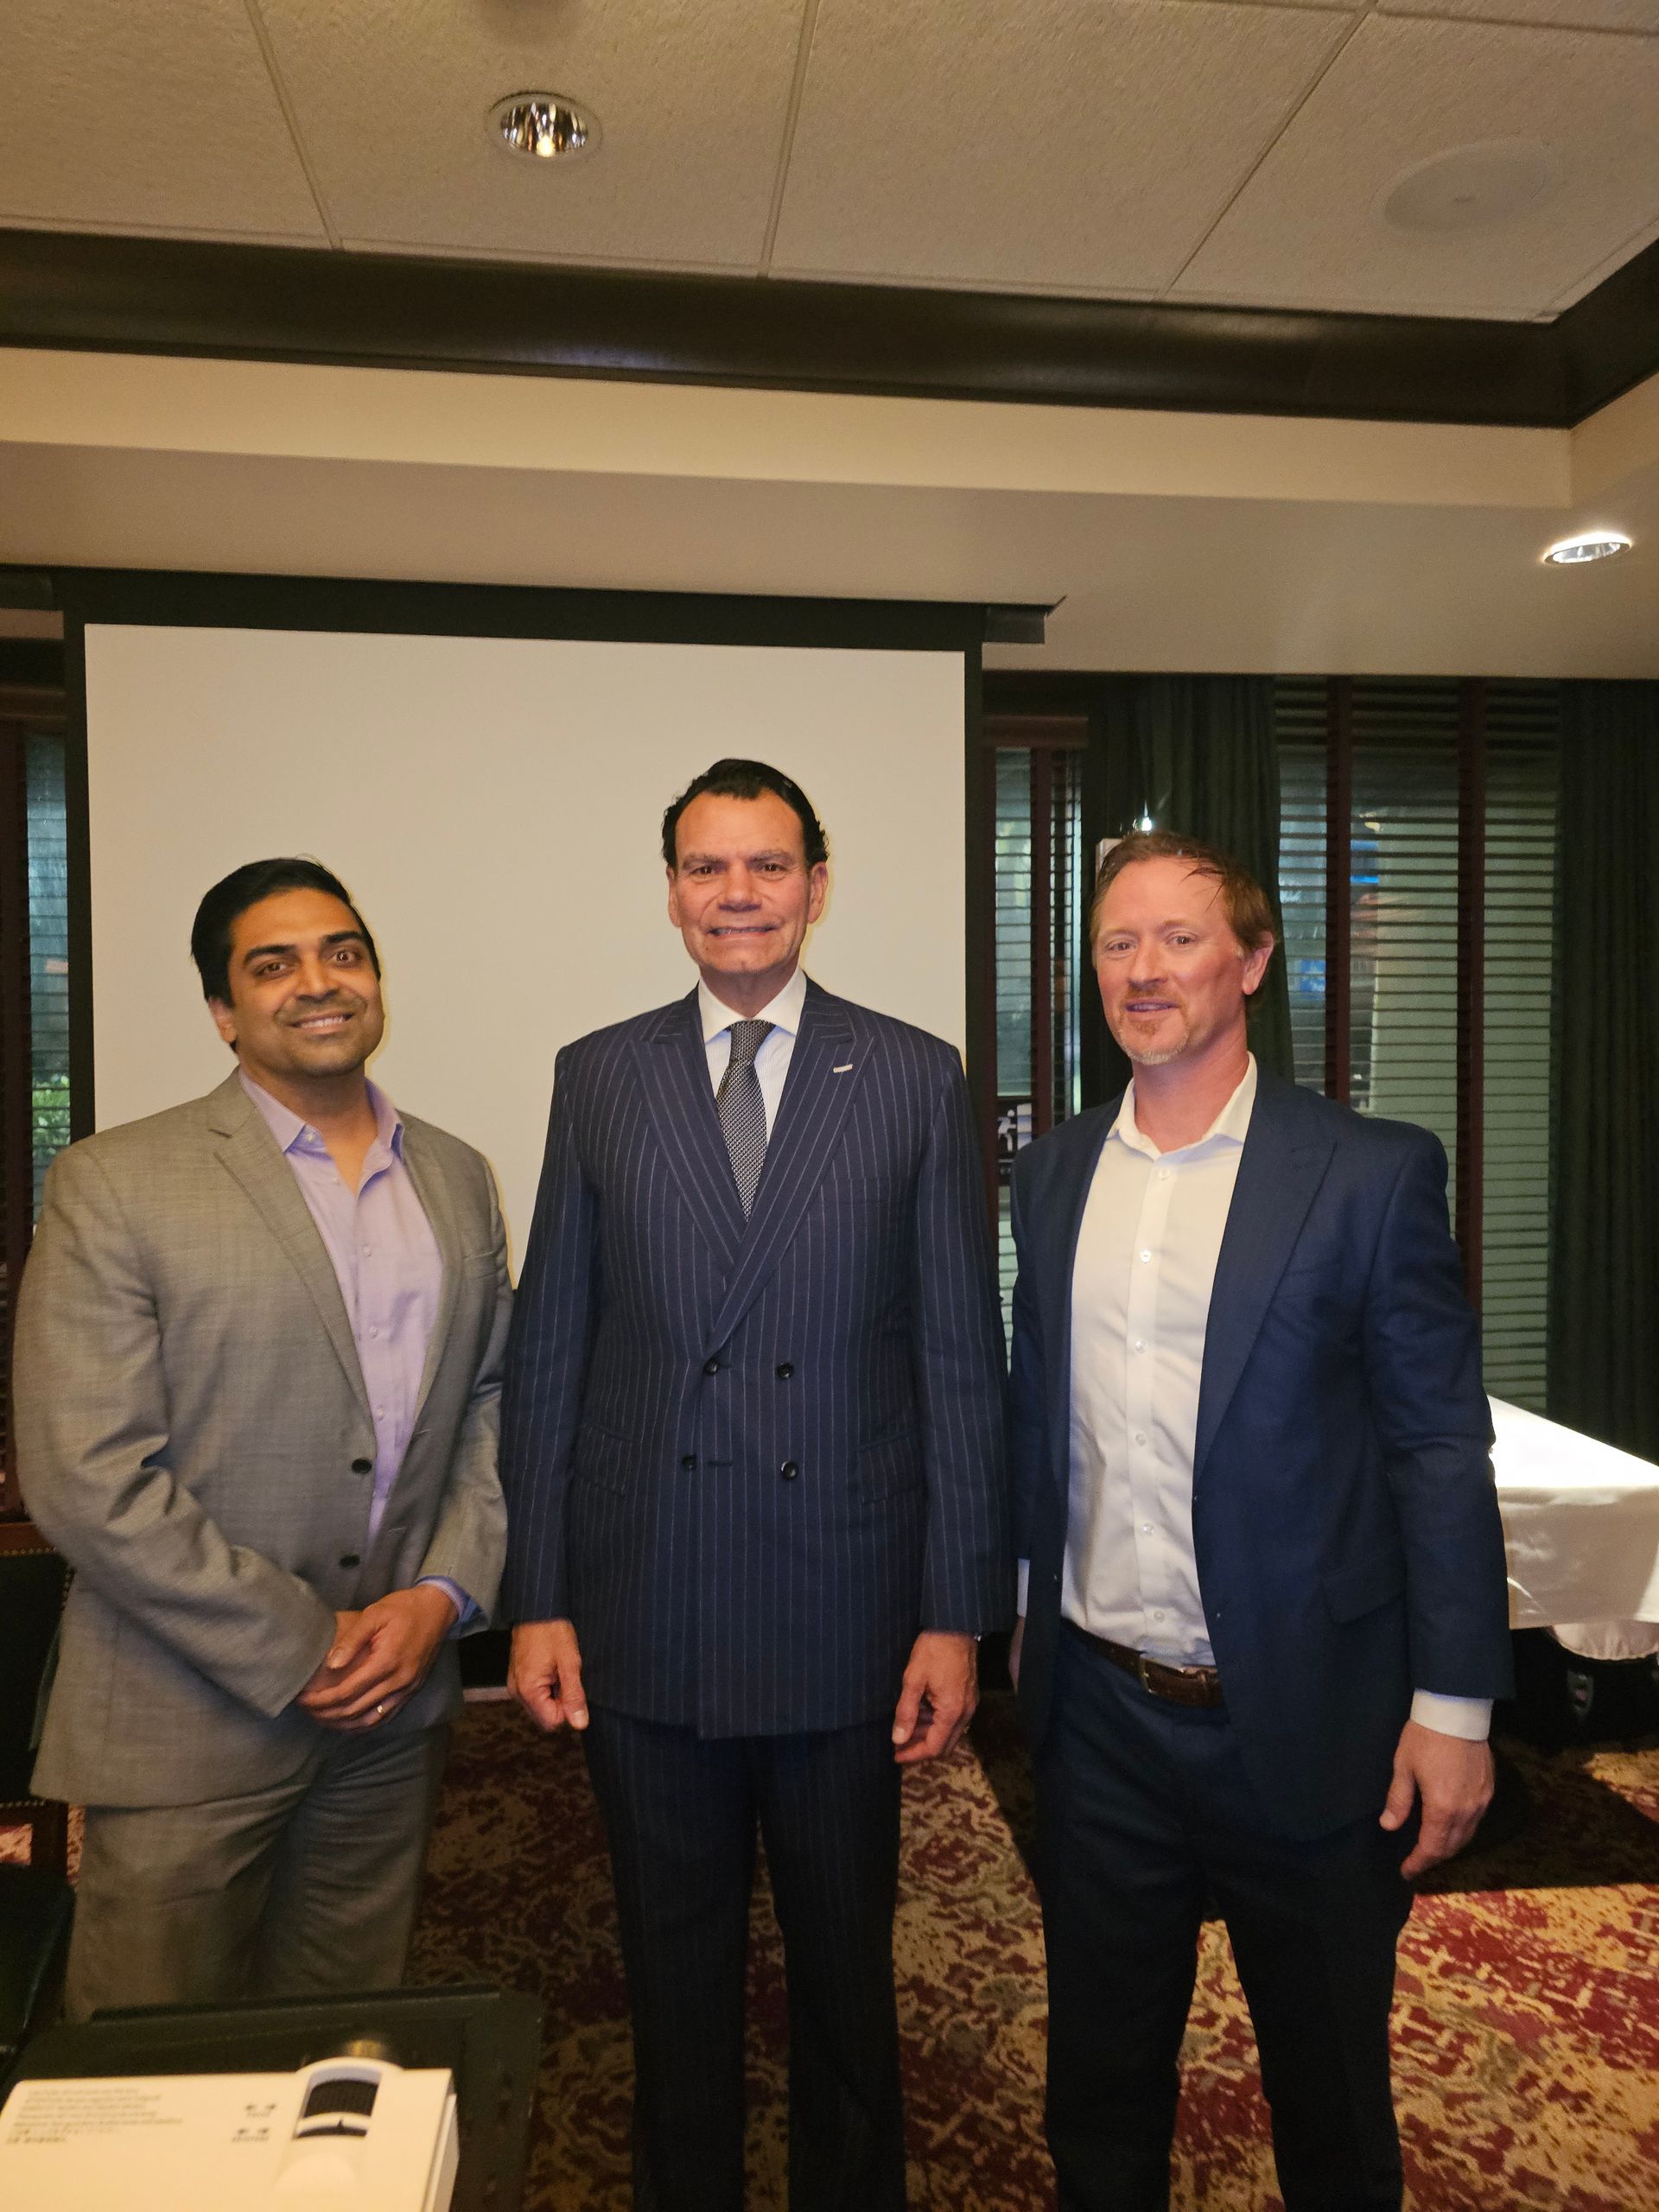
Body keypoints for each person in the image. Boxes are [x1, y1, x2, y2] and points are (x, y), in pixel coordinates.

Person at [500, 758, 1008, 2212]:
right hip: (645, 1604)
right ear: (672, 893)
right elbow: (554, 1353)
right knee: (670, 1976)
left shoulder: (910, 1074)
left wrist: (954, 1615)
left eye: (768, 866)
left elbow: (959, 1367)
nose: (739, 894)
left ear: (817, 886)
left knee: (851, 1974)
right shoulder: (598, 1074)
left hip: (848, 1611)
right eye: (709, 868)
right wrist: (538, 1597)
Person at [1008, 829, 1512, 2212]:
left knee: (1331, 2094)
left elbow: (1433, 1448)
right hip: (1101, 1717)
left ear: (1253, 961)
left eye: (1179, 938)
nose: (1144, 969)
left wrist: (1455, 1710)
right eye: (1117, 942)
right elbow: (1042, 1424)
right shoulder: (1052, 1178)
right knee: (1099, 2088)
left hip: (1310, 1718)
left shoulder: (1367, 1172)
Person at [15, 857, 509, 2018]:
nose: (319, 982)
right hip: (185, 1718)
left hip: (390, 1719)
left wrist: (443, 1596)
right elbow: (86, 1478)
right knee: (148, 2090)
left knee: (337, 2068)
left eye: (343, 951)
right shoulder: (115, 1183)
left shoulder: (456, 1176)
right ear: (224, 1012)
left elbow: (493, 1408)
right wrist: (302, 1644)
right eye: (272, 964)